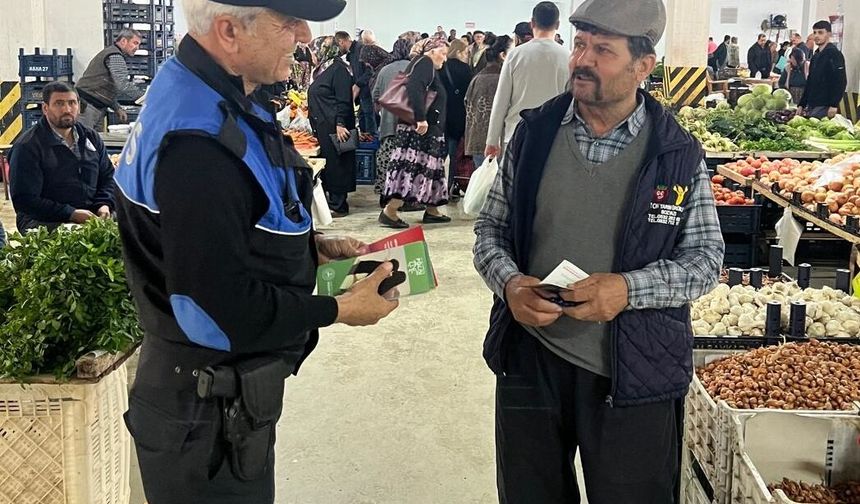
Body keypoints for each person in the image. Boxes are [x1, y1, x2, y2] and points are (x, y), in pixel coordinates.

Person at [113, 1, 400, 503]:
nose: (305, 32)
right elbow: (213, 308)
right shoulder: (198, 145)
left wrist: (306, 248)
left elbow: (214, 231)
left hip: (217, 404)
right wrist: (339, 309)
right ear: (228, 31)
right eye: (287, 21)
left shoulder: (202, 89)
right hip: (204, 420)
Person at [473, 0, 725, 500]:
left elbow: (705, 259)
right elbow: (490, 230)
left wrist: (627, 291)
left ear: (643, 66)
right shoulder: (535, 133)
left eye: (602, 50)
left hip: (634, 372)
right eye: (580, 44)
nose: (581, 60)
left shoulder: (674, 152)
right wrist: (509, 284)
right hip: (531, 360)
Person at [9, 81, 115, 233]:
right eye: (59, 103)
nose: (67, 109)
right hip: (43, 220)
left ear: (78, 105)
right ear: (45, 108)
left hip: (90, 213)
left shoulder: (90, 137)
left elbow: (108, 176)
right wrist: (70, 214)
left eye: (72, 103)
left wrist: (104, 203)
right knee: (75, 237)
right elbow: (24, 200)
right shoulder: (28, 146)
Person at [379, 37, 451, 229]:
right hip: (419, 129)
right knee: (411, 170)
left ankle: (432, 209)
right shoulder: (425, 63)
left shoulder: (422, 64)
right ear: (432, 51)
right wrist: (420, 117)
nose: (444, 59)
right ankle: (390, 211)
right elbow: (414, 88)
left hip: (425, 128)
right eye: (443, 54)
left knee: (430, 169)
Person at [485, 1, 570, 160]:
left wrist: (492, 139)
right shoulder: (568, 57)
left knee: (514, 184)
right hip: (554, 136)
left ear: (532, 23)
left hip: (516, 133)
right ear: (557, 24)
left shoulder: (515, 55)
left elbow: (501, 100)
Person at [309, 37, 358, 218]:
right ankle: (333, 201)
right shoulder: (326, 68)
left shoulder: (338, 70)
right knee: (331, 163)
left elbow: (344, 99)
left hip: (335, 126)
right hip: (325, 124)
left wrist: (340, 123)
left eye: (315, 50)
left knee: (338, 164)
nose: (313, 55)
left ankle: (339, 205)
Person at [76, 29, 144, 131]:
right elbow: (123, 84)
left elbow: (108, 86)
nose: (137, 48)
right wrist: (145, 98)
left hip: (96, 107)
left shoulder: (112, 53)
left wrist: (116, 108)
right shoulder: (115, 55)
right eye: (135, 43)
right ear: (123, 41)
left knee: (95, 142)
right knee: (84, 140)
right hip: (88, 107)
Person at [372, 39, 414, 201]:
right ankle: (404, 198)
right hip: (409, 124)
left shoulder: (384, 71)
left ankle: (385, 195)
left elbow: (375, 95)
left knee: (387, 160)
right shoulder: (413, 69)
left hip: (388, 124)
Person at [465, 36, 512, 169]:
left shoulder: (477, 78)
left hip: (476, 140)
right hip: (496, 143)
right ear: (503, 55)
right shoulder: (501, 80)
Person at [440, 39, 473, 197]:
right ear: (459, 52)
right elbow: (469, 94)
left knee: (440, 153)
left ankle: (436, 186)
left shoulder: (441, 67)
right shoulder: (465, 69)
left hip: (442, 114)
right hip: (458, 115)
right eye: (466, 52)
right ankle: (451, 186)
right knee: (454, 154)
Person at [798, 20, 848, 119]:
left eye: (820, 32)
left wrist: (833, 105)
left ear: (829, 34)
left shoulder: (834, 54)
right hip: (812, 103)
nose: (816, 36)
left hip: (825, 105)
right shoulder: (816, 55)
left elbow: (841, 81)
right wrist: (802, 104)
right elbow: (810, 80)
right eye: (815, 32)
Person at [335, 31, 375, 135]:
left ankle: (371, 143)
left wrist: (358, 84)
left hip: (367, 91)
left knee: (369, 117)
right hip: (361, 93)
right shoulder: (351, 54)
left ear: (341, 41)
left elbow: (370, 70)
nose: (339, 49)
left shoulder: (361, 49)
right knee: (362, 117)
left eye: (338, 45)